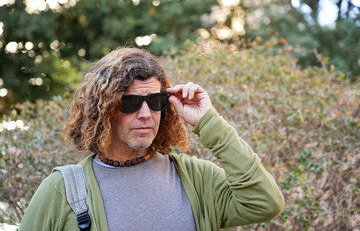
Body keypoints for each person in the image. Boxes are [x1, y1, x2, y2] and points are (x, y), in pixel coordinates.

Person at [19, 47, 284, 231]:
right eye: (130, 102)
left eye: (155, 101)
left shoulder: (196, 179)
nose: (145, 114)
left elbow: (265, 202)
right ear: (103, 110)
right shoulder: (63, 191)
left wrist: (208, 121)